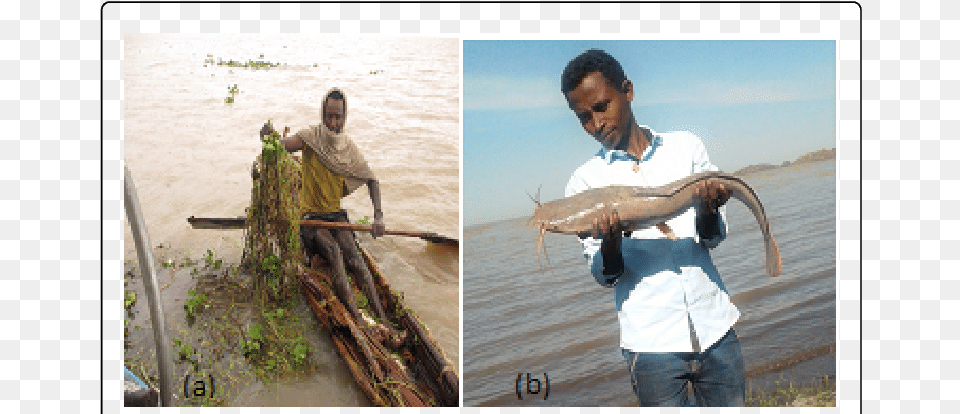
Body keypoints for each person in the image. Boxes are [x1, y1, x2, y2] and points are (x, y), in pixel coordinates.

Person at [560, 49, 744, 407]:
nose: (595, 123)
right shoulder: (583, 184)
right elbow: (605, 275)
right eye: (582, 117)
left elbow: (713, 237)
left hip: (716, 326)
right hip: (651, 345)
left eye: (601, 106)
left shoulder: (686, 147)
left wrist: (707, 208)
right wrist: (611, 242)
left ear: (627, 91)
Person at [263, 88, 402, 343]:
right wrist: (269, 139)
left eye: (338, 117)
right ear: (323, 114)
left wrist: (378, 216)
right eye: (329, 116)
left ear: (345, 117)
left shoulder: (347, 148)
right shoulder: (310, 137)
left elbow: (372, 180)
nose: (333, 123)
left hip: (336, 215)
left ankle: (382, 319)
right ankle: (358, 320)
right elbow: (281, 147)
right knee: (335, 253)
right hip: (311, 218)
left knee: (355, 256)